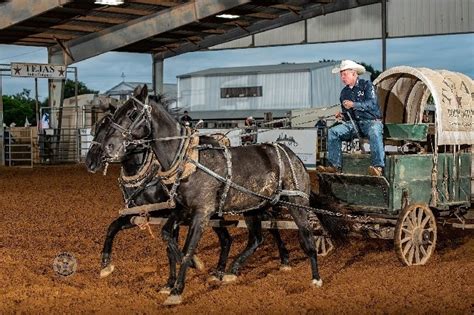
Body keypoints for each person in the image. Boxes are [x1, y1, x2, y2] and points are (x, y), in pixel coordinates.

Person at [317, 60, 385, 176]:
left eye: (344, 74)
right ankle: (335, 166)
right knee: (333, 132)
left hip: (372, 122)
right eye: (341, 75)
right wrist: (342, 116)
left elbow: (372, 103)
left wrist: (354, 104)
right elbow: (348, 115)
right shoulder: (344, 93)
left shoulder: (367, 85)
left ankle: (378, 167)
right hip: (354, 124)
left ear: (354, 73)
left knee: (374, 131)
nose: (342, 77)